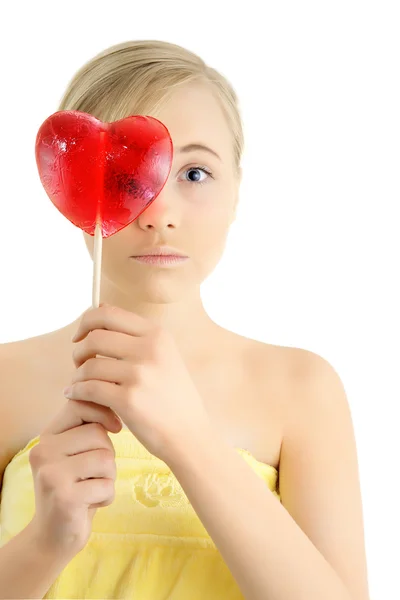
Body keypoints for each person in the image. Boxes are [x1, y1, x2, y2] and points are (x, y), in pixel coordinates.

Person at [0, 40, 370, 600]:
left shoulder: (303, 389)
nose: (158, 214)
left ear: (236, 192)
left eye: (194, 174)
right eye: (123, 174)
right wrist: (47, 541)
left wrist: (188, 438)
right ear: (69, 187)